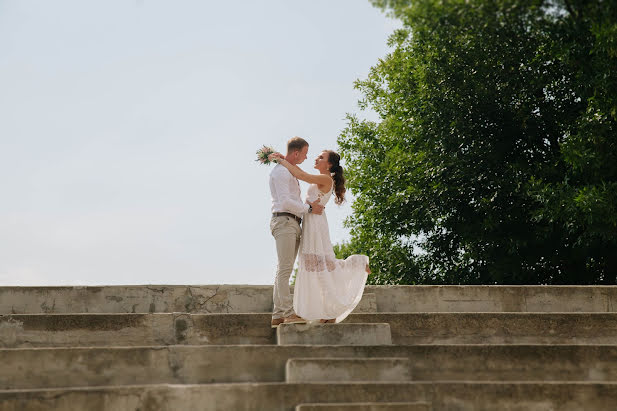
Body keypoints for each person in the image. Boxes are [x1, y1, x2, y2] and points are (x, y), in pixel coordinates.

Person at [270, 149, 370, 323]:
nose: (316, 158)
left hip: (316, 224)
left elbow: (300, 175)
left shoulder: (325, 178)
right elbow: (301, 176)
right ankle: (327, 312)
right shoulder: (321, 178)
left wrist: (281, 160)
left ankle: (358, 264)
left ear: (329, 164)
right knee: (316, 267)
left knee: (321, 265)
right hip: (310, 221)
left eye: (321, 157)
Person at [269, 137, 325, 328]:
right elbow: (285, 201)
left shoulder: (289, 171)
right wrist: (309, 209)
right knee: (285, 269)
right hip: (284, 220)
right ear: (296, 153)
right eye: (305, 153)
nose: (307, 157)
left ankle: (278, 315)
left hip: (291, 221)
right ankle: (287, 313)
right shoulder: (281, 173)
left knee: (284, 268)